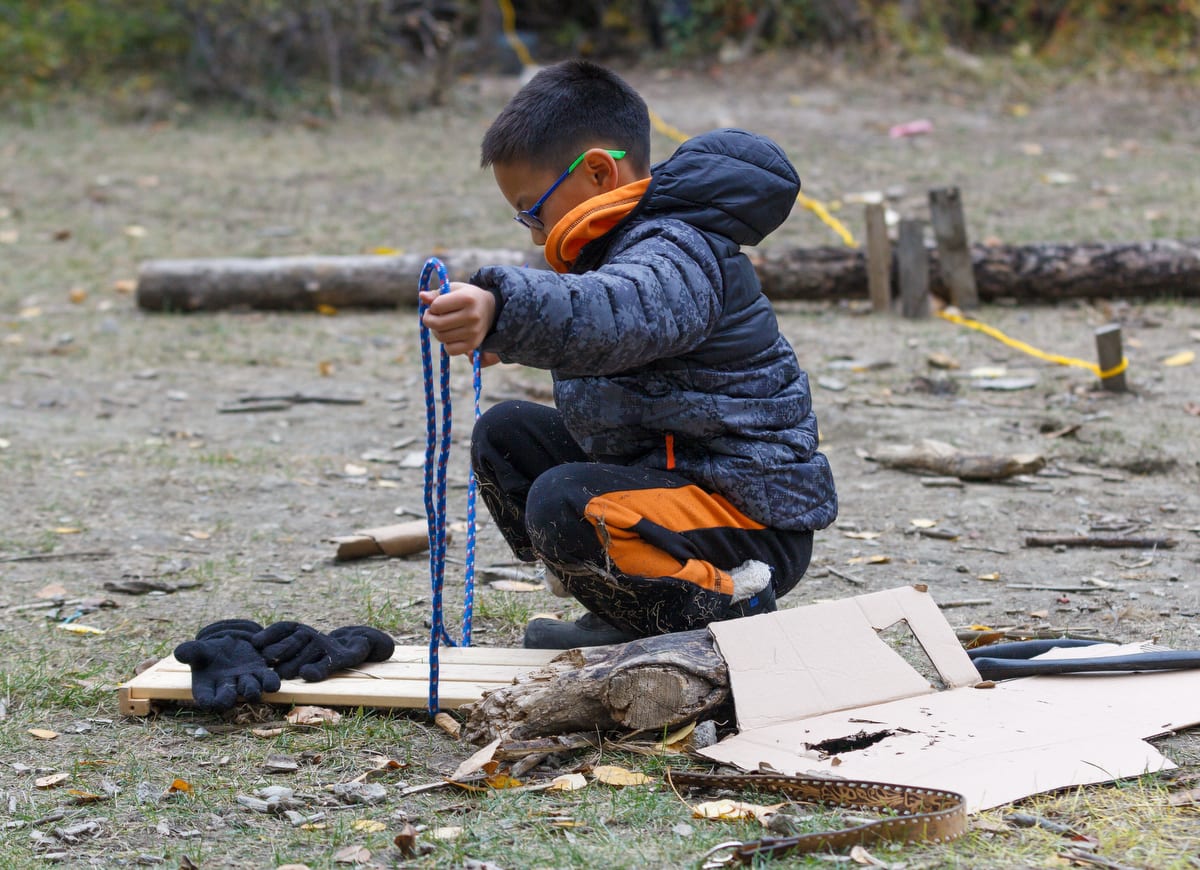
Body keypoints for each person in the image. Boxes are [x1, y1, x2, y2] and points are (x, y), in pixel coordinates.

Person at [419, 59, 836, 649]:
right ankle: (626, 608)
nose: (536, 236)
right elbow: (598, 325)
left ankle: (732, 602)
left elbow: (616, 314)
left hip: (746, 517)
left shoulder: (676, 246)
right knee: (505, 433)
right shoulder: (619, 248)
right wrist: (508, 340)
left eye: (533, 211)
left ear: (595, 172)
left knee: (564, 500)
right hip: (665, 491)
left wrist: (502, 311)